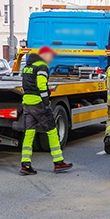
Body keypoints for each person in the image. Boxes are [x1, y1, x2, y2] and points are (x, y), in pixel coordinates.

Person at [19, 46, 73, 175]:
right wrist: (46, 104)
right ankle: (58, 161)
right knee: (52, 131)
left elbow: (27, 85)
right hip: (38, 104)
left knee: (29, 133)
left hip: (27, 103)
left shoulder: (27, 67)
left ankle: (25, 164)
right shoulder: (41, 67)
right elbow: (42, 86)